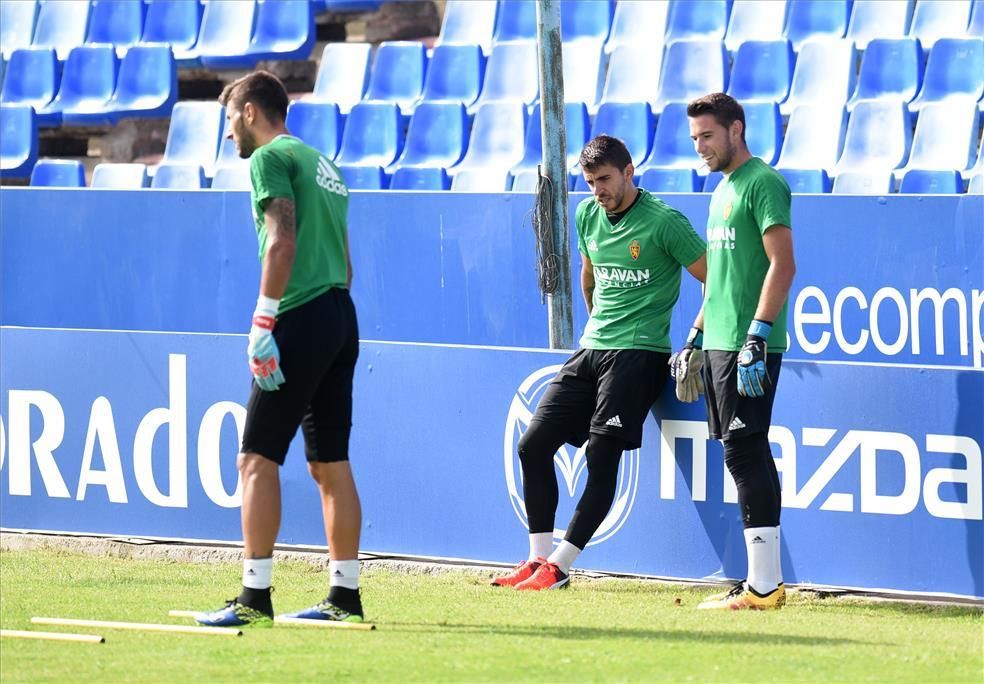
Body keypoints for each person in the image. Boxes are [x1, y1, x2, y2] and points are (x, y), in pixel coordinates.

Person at [492, 135, 707, 591]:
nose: (598, 191)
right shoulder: (587, 213)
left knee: (600, 453)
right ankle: (536, 559)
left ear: (629, 172)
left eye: (605, 180)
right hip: (593, 347)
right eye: (590, 182)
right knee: (532, 445)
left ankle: (561, 567)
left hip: (640, 353)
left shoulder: (665, 221)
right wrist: (597, 328)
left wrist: (697, 338)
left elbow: (717, 278)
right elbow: (589, 277)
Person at [196, 71, 365, 626]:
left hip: (301, 314)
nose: (227, 136)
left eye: (228, 120)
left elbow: (281, 239)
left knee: (255, 458)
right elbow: (344, 256)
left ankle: (254, 597)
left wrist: (264, 321)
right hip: (340, 313)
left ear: (249, 112)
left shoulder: (269, 158)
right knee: (330, 464)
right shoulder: (325, 164)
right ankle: (344, 597)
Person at [672, 92, 796, 610]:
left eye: (708, 135)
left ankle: (763, 588)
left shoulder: (763, 183)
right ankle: (764, 583)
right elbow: (718, 280)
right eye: (695, 137)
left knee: (745, 452)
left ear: (735, 129)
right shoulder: (722, 190)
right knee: (746, 452)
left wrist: (757, 335)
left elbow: (782, 265)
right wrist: (696, 337)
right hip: (721, 343)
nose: (700, 146)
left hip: (750, 346)